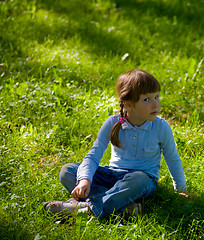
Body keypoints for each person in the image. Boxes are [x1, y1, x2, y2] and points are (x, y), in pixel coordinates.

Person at [44, 69, 188, 219]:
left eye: (156, 97)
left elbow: (172, 157)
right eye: (147, 99)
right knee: (67, 171)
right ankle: (121, 206)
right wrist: (84, 180)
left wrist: (181, 189)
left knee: (139, 179)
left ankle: (82, 208)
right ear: (128, 103)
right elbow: (94, 154)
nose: (155, 104)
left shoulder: (160, 127)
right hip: (112, 175)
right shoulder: (113, 123)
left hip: (141, 181)